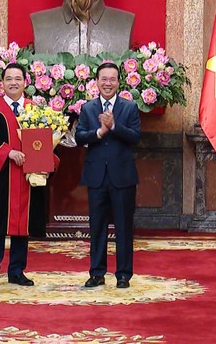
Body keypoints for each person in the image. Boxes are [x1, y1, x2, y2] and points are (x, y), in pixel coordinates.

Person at [0, 62, 57, 287]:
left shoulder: (36, 109)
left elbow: (47, 141)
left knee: (23, 225)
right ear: (2, 83)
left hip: (28, 177)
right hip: (1, 177)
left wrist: (46, 162)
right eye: (9, 79)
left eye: (18, 79)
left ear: (25, 82)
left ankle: (17, 271)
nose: (13, 83)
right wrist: (8, 152)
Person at [75, 62, 141, 289]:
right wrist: (99, 132)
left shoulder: (129, 107)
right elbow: (79, 137)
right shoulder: (88, 108)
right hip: (96, 177)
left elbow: (135, 137)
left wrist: (113, 127)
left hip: (123, 177)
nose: (108, 83)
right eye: (104, 79)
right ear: (96, 82)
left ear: (119, 82)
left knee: (123, 227)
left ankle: (123, 274)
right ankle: (97, 273)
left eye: (112, 79)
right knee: (97, 227)